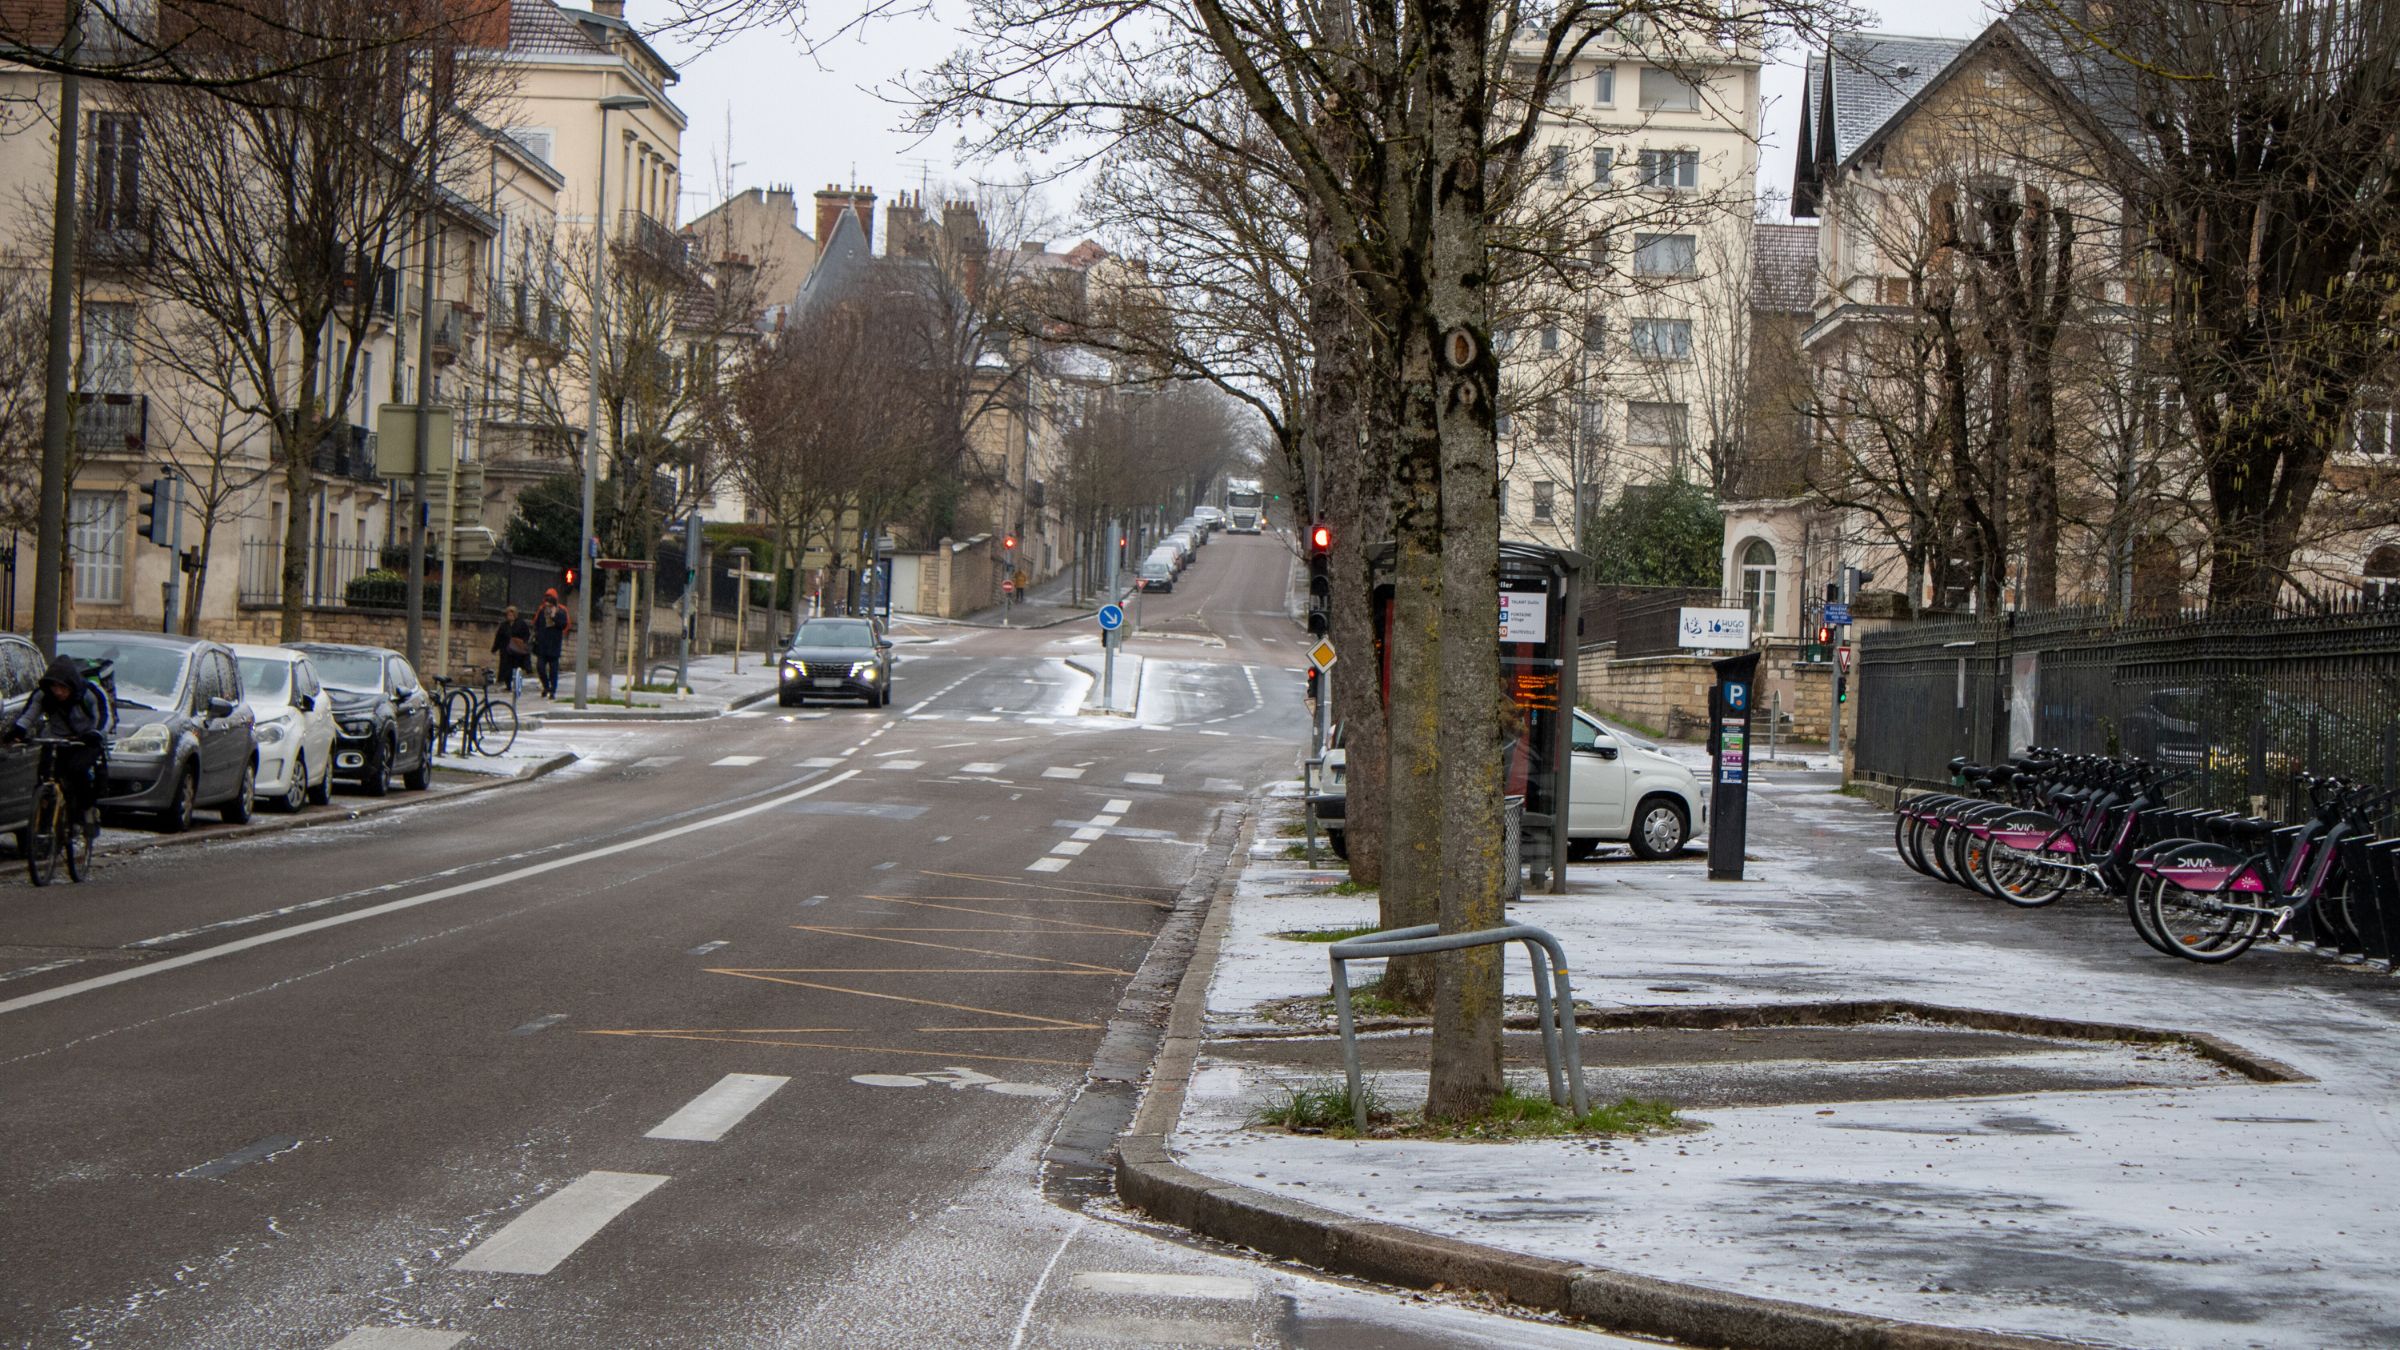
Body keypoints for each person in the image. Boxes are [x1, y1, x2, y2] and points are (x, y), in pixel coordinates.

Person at [5, 656, 110, 837]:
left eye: (63, 688)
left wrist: (96, 734)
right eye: (55, 688)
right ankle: (46, 815)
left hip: (85, 740)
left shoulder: (90, 693)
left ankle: (85, 812)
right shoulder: (43, 695)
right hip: (56, 739)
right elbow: (28, 716)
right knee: (45, 773)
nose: (58, 692)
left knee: (78, 771)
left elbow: (105, 718)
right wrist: (18, 732)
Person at [532, 588, 571, 699]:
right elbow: (537, 624)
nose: (547, 606)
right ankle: (546, 686)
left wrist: (554, 617)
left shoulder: (561, 612)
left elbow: (564, 625)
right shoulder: (541, 612)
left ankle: (552, 690)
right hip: (543, 646)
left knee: (553, 670)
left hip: (554, 646)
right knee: (540, 668)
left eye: (549, 604)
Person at [491, 605, 534, 697]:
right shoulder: (504, 625)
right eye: (508, 614)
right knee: (506, 668)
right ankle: (508, 685)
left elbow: (526, 635)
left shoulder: (521, 624)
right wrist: (495, 648)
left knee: (516, 667)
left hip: (516, 649)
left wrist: (522, 643)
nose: (510, 616)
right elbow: (498, 637)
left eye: (512, 614)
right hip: (506, 649)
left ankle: (517, 683)